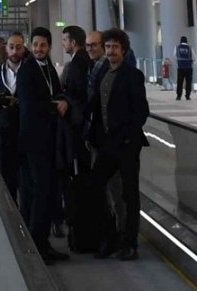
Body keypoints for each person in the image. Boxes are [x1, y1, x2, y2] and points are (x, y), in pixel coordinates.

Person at [86, 28, 149, 261]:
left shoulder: (132, 75)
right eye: (108, 47)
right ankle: (110, 237)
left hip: (126, 145)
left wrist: (126, 137)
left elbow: (142, 112)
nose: (111, 51)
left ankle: (129, 242)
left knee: (129, 194)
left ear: (124, 50)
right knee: (95, 186)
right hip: (106, 144)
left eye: (115, 47)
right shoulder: (103, 71)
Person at [15, 28, 69, 264]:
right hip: (33, 141)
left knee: (47, 192)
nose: (38, 49)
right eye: (35, 45)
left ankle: (44, 242)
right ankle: (38, 244)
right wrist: (54, 107)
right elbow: (28, 105)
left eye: (43, 45)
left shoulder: (48, 68)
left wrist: (63, 100)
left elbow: (57, 91)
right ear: (30, 45)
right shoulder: (27, 70)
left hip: (49, 141)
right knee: (40, 192)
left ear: (49, 46)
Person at [0, 32, 27, 199]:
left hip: (26, 135)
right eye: (12, 47)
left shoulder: (31, 71)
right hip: (5, 136)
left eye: (19, 47)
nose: (15, 51)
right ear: (6, 49)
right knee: (8, 183)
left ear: (24, 49)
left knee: (27, 183)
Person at [57, 25, 94, 182]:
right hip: (81, 121)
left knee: (80, 167)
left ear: (73, 42)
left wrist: (65, 99)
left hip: (78, 123)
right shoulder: (83, 59)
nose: (63, 43)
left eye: (65, 40)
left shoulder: (78, 62)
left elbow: (77, 92)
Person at [174, 32, 195, 102]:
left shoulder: (177, 47)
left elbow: (174, 56)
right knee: (188, 82)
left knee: (180, 82)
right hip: (189, 68)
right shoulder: (190, 48)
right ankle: (187, 96)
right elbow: (194, 57)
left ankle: (178, 96)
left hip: (180, 68)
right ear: (186, 41)